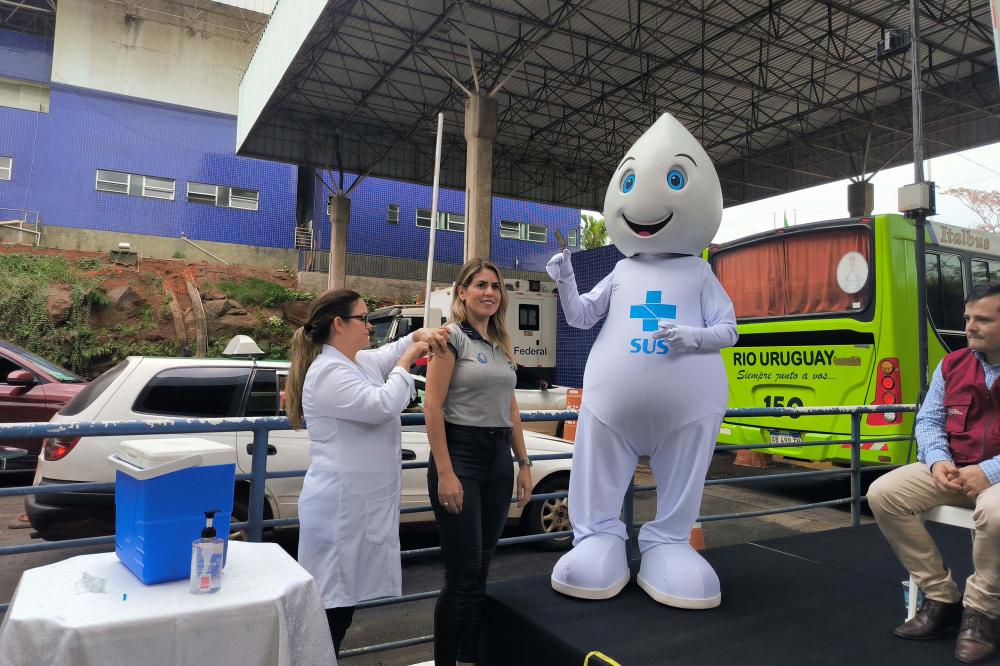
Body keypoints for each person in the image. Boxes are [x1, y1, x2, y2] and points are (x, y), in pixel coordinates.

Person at [284, 289, 448, 656]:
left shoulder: (355, 362)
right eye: (363, 319)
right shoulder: (327, 372)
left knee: (343, 606)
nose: (370, 326)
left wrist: (417, 337)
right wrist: (408, 359)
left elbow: (386, 354)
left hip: (354, 508)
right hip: (339, 513)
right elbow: (382, 404)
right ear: (339, 324)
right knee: (330, 609)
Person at [868, 281, 1000, 664]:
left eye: (983, 320)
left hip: (994, 478)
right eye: (968, 318)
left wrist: (989, 472)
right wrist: (938, 460)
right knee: (883, 494)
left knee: (994, 511)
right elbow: (928, 421)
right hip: (955, 468)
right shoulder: (952, 364)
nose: (970, 327)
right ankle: (942, 599)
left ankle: (981, 614)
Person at [423, 258, 533, 665]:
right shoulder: (451, 339)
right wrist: (446, 473)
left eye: (495, 286)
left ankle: (471, 658)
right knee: (462, 577)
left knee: (482, 571)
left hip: (497, 459)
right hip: (461, 456)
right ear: (462, 292)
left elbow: (512, 408)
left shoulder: (501, 344)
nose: (489, 292)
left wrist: (523, 463)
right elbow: (432, 407)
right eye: (480, 285)